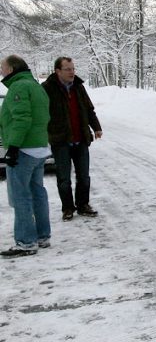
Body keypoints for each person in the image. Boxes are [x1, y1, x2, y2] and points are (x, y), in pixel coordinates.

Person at [0, 55, 52, 257]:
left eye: (3, 67)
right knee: (37, 192)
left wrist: (13, 146)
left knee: (20, 196)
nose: (1, 71)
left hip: (24, 149)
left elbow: (22, 118)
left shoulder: (19, 87)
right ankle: (42, 235)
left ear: (12, 68)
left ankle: (26, 242)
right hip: (38, 147)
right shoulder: (35, 86)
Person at [42, 57, 102, 221]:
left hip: (81, 138)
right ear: (58, 71)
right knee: (63, 178)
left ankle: (83, 205)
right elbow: (41, 113)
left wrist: (96, 127)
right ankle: (67, 208)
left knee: (84, 176)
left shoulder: (78, 87)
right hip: (60, 140)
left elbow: (89, 109)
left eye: (73, 69)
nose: (72, 72)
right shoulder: (47, 89)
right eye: (68, 69)